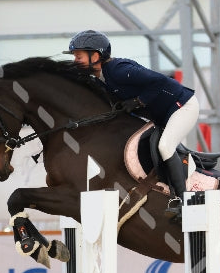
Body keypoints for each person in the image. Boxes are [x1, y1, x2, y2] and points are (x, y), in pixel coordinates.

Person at [65, 29, 198, 221]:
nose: (75, 61)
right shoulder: (101, 78)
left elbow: (160, 81)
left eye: (78, 56)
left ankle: (184, 201)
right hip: (162, 114)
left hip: (182, 107)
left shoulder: (120, 70)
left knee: (165, 146)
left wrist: (139, 101)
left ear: (95, 55)